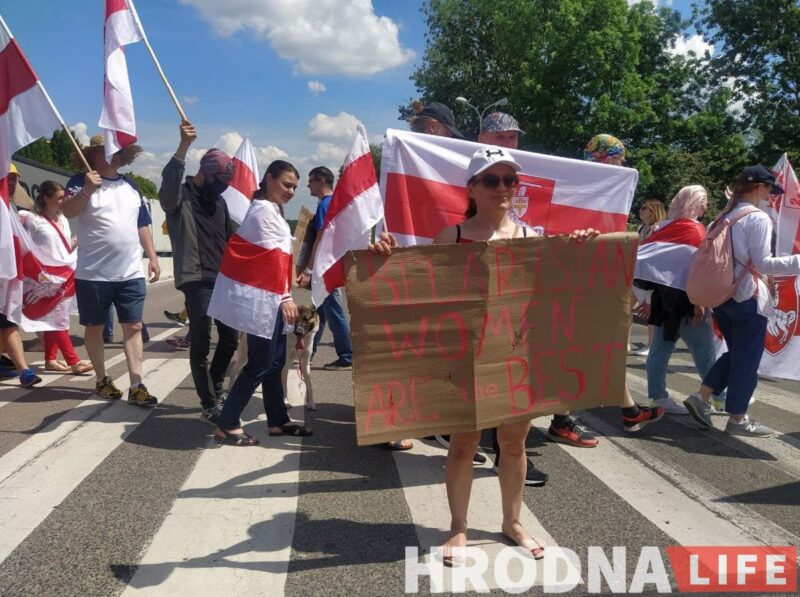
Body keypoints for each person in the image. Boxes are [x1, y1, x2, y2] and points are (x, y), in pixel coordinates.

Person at [373, 146, 599, 563]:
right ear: (472, 187)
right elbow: (422, 295)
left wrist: (582, 247)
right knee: (463, 444)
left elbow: (560, 291)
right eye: (492, 180)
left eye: (510, 180)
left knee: (513, 445)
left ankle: (512, 522)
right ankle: (458, 529)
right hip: (466, 359)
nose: (503, 188)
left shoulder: (534, 238)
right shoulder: (452, 238)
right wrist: (388, 263)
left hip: (519, 356)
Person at [547, 134, 665, 439]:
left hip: (590, 285)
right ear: (604, 159)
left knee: (594, 351)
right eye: (618, 158)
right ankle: (616, 412)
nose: (623, 164)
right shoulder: (583, 192)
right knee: (581, 352)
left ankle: (622, 411)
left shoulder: (599, 194)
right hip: (574, 286)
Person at [684, 165, 800, 437]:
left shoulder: (723, 217)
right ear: (759, 186)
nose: (771, 195)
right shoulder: (758, 218)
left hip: (722, 298)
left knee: (736, 354)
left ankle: (701, 397)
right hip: (747, 297)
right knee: (747, 360)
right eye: (770, 189)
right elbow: (764, 264)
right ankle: (738, 419)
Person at [211, 161, 306, 445]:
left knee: (275, 361)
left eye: (294, 187)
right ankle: (227, 423)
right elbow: (272, 259)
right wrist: (286, 296)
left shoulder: (273, 209)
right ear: (268, 179)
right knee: (261, 363)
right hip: (265, 301)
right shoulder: (264, 211)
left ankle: (277, 419)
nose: (290, 191)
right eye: (286, 184)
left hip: (271, 299)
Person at [61, 134, 160, 407]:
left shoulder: (131, 186)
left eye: (117, 150)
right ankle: (102, 379)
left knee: (134, 325)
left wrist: (152, 256)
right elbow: (67, 211)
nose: (114, 154)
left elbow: (142, 225)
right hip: (93, 273)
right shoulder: (79, 182)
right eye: (107, 150)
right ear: (93, 154)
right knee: (93, 328)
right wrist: (86, 191)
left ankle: (137, 385)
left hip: (129, 271)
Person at [159, 122, 239, 422]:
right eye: (219, 179)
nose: (222, 186)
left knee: (231, 339)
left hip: (223, 279)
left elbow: (233, 239)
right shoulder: (181, 197)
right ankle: (208, 403)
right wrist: (182, 147)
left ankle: (215, 384)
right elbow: (166, 193)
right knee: (202, 341)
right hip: (197, 279)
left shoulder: (219, 202)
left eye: (226, 182)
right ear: (204, 172)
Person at [636, 186, 726, 415]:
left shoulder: (663, 227)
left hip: (663, 303)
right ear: (695, 203)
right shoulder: (696, 230)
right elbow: (698, 271)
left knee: (659, 351)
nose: (706, 205)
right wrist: (700, 303)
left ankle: (658, 398)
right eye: (704, 201)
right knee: (705, 353)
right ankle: (718, 396)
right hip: (688, 304)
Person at [22, 181, 93, 374]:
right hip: (45, 279)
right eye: (60, 197)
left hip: (65, 275)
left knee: (55, 318)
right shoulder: (32, 219)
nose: (65, 200)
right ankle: (74, 361)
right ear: (46, 198)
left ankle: (50, 359)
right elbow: (26, 249)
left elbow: (63, 248)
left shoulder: (62, 218)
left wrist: (76, 241)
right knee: (58, 320)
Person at [296, 166, 353, 371]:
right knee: (320, 310)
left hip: (325, 267)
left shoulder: (324, 204)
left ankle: (347, 356)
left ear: (320, 181)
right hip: (333, 263)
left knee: (334, 312)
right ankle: (308, 352)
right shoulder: (335, 203)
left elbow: (320, 239)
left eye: (310, 181)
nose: (308, 185)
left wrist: (309, 269)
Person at [630, 199, 668, 357]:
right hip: (638, 274)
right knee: (626, 307)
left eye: (644, 208)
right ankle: (625, 341)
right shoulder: (641, 228)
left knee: (651, 311)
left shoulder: (658, 228)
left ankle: (651, 345)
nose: (641, 210)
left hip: (650, 277)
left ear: (654, 211)